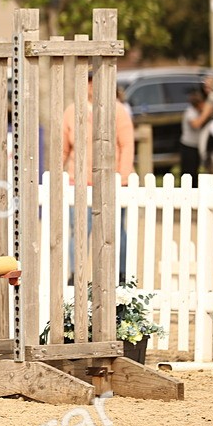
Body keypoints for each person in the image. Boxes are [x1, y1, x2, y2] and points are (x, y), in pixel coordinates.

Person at [62, 72, 136, 282]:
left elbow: (127, 145)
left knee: (115, 230)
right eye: (89, 82)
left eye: (96, 82)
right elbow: (63, 148)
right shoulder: (72, 111)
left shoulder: (118, 110)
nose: (92, 87)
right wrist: (58, 175)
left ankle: (120, 274)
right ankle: (76, 274)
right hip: (79, 181)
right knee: (79, 230)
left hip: (111, 180)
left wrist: (122, 177)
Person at [179, 88, 205, 178]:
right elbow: (195, 124)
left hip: (196, 146)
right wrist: (206, 113)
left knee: (195, 172)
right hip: (188, 146)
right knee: (188, 172)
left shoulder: (198, 112)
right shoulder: (190, 112)